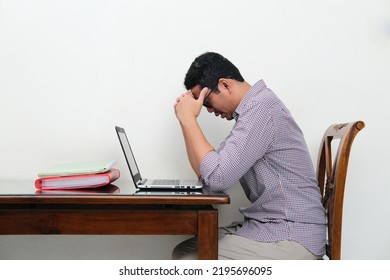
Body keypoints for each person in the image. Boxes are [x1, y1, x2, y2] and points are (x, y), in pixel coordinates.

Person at [172, 52, 326, 260]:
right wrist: (185, 122)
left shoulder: (262, 109)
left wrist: (190, 119)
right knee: (184, 251)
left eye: (206, 101)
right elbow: (208, 176)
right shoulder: (250, 113)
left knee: (189, 261)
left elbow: (217, 178)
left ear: (225, 85)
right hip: (268, 227)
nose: (207, 110)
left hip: (291, 235)